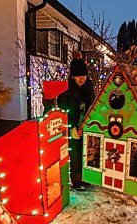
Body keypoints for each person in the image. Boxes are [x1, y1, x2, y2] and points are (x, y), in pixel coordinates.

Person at [58, 51, 95, 190]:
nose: (81, 79)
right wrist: (71, 127)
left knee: (87, 153)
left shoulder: (89, 88)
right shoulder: (66, 91)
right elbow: (63, 111)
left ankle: (87, 178)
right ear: (72, 77)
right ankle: (77, 181)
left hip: (87, 127)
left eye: (83, 75)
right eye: (78, 76)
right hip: (73, 128)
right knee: (75, 154)